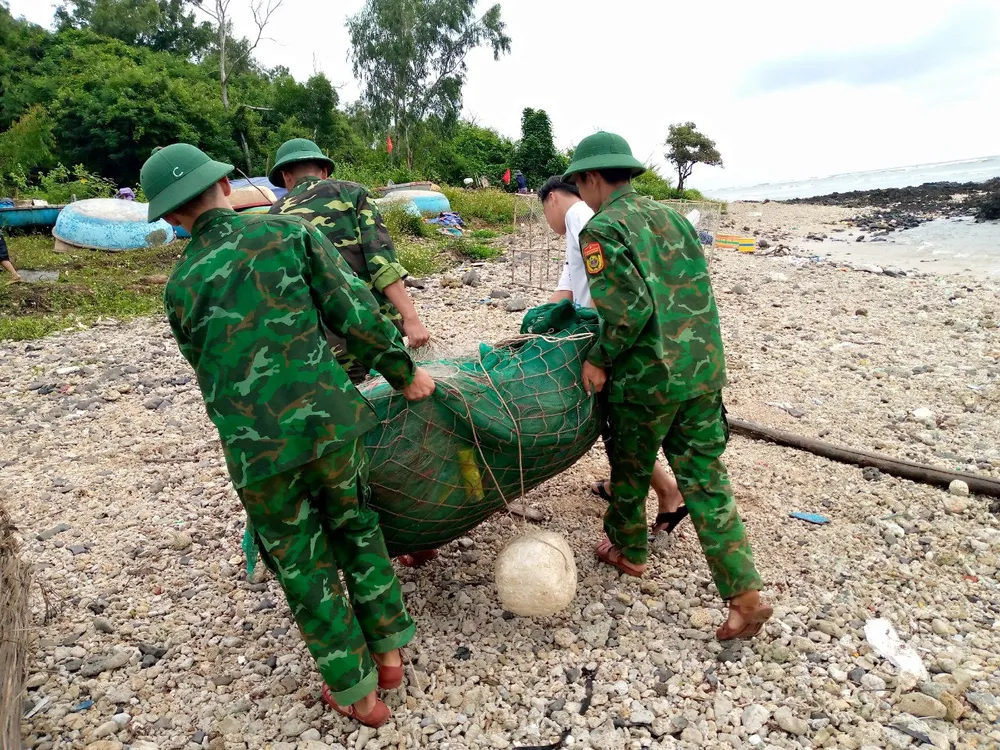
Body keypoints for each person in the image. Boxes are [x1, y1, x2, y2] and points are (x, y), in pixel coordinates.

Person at [140, 143, 436, 727]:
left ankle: (356, 692)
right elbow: (355, 314)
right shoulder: (289, 236)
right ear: (225, 186)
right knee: (357, 527)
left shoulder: (179, 287)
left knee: (303, 565)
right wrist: (406, 375)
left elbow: (210, 369)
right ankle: (391, 651)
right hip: (331, 426)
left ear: (171, 218)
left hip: (258, 453)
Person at [562, 132, 771, 640]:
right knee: (706, 479)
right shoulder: (674, 217)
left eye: (578, 183)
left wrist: (598, 358)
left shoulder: (602, 229)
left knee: (630, 469)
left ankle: (629, 551)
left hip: (648, 380)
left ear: (592, 178)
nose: (579, 193)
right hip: (700, 371)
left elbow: (628, 309)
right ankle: (745, 595)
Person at [268, 138, 437, 569]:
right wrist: (411, 320)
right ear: (322, 169)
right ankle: (420, 533)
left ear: (286, 176)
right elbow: (381, 263)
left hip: (313, 350)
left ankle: (351, 534)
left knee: (341, 438)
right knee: (397, 423)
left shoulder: (273, 217)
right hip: (368, 335)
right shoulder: (351, 193)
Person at [538, 176, 687, 536]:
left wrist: (594, 349)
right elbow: (569, 284)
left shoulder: (577, 215)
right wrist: (539, 322)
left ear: (553, 198)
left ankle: (667, 492)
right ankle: (626, 485)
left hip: (608, 336)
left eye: (544, 211)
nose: (547, 220)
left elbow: (603, 289)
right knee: (613, 421)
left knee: (616, 422)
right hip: (641, 337)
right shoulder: (581, 226)